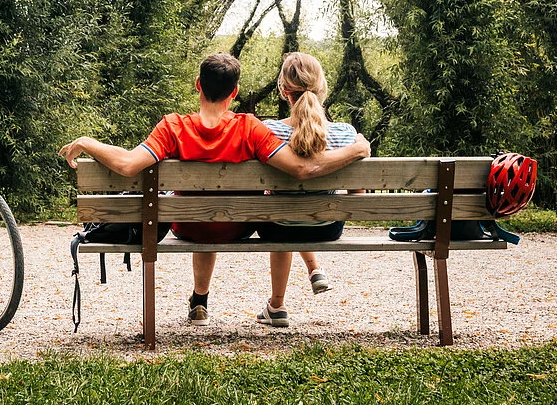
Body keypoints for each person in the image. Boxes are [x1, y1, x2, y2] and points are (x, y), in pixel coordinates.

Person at [59, 52, 370, 326]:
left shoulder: (173, 126)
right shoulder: (250, 127)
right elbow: (303, 168)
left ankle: (199, 300)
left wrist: (87, 142)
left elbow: (127, 165)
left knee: (200, 211)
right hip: (238, 227)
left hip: (189, 226)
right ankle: (230, 296)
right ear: (234, 92)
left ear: (198, 85)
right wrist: (356, 150)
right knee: (224, 210)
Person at [255, 52, 359, 328]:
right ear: (321, 88)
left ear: (283, 91)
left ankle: (277, 305)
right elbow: (358, 196)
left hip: (277, 226)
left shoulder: (268, 131)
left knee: (283, 214)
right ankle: (313, 270)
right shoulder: (347, 134)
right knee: (300, 212)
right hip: (327, 226)